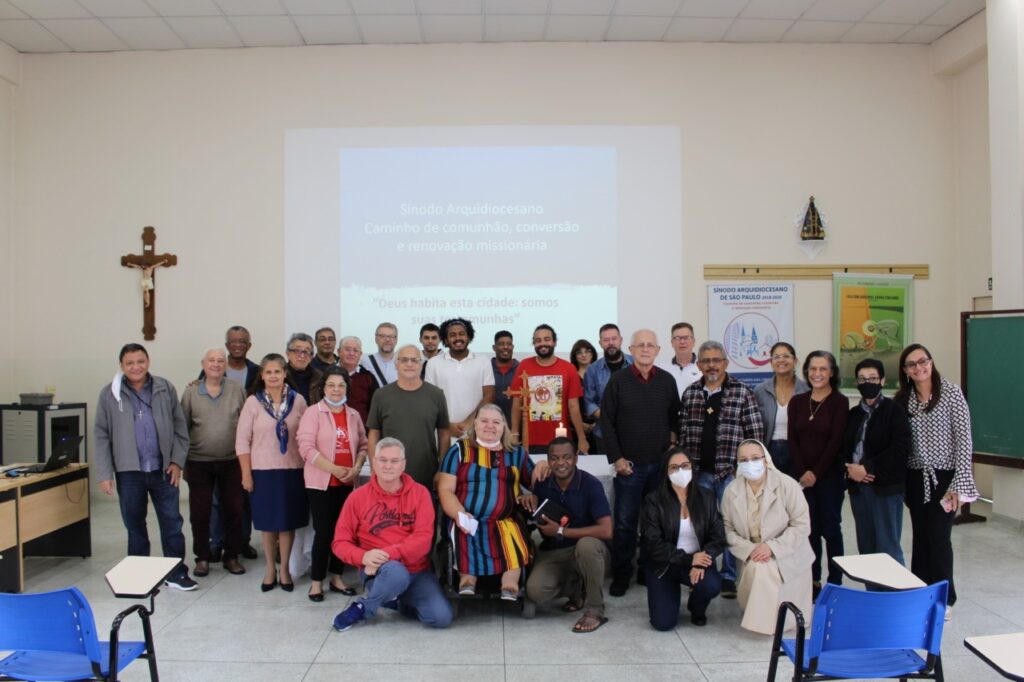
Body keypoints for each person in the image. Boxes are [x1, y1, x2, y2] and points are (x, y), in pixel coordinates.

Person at [94, 343, 196, 591]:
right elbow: (101, 435)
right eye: (130, 363)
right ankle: (139, 574)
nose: (136, 367)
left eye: (140, 361)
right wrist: (105, 474)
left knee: (172, 523)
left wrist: (176, 462)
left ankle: (176, 573)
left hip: (163, 470)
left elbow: (180, 428)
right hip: (129, 472)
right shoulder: (110, 394)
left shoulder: (164, 388)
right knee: (135, 525)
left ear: (148, 362)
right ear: (121, 366)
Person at [331, 437, 454, 632]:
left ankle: (393, 601)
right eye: (383, 460)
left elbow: (423, 540)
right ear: (374, 462)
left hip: (417, 571)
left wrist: (386, 554)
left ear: (403, 464)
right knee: (396, 572)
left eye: (394, 461)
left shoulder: (420, 494)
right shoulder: (357, 497)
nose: (388, 466)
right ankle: (365, 608)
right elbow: (339, 542)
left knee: (441, 618)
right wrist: (363, 557)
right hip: (379, 572)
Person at [894, 343, 978, 619]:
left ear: (931, 362)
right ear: (905, 370)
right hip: (916, 477)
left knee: (939, 537)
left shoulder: (951, 392)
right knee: (921, 536)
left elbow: (964, 440)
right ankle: (920, 592)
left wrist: (959, 484)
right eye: (912, 364)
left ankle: (945, 597)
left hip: (945, 477)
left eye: (923, 361)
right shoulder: (903, 399)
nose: (919, 367)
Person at [679, 340, 765, 599]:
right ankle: (703, 570)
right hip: (698, 473)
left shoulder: (742, 392)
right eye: (706, 361)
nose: (711, 365)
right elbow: (683, 434)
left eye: (716, 360)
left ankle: (728, 575)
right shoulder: (691, 393)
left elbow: (755, 435)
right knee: (701, 525)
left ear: (725, 363)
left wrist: (745, 469)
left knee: (731, 524)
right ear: (699, 365)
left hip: (730, 473)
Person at [600, 329, 679, 596]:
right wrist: (617, 459)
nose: (645, 349)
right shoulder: (618, 381)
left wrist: (671, 447)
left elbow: (675, 418)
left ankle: (648, 569)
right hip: (629, 467)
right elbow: (607, 422)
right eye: (640, 345)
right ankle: (622, 573)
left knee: (654, 523)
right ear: (631, 350)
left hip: (659, 467)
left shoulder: (666, 381)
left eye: (650, 345)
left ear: (658, 350)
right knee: (625, 523)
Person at [438, 404, 534, 599]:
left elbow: (535, 484)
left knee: (513, 534)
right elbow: (445, 489)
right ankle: (467, 581)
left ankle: (510, 585)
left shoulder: (516, 454)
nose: (490, 426)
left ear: (504, 427)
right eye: (484, 421)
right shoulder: (459, 451)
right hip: (467, 515)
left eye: (496, 422)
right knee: (464, 530)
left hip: (505, 519)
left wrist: (536, 482)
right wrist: (459, 513)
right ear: (475, 424)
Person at [722, 439, 814, 635]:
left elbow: (802, 524)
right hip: (752, 554)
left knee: (762, 569)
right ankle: (762, 621)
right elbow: (726, 530)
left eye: (755, 458)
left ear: (766, 460)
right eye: (743, 460)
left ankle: (763, 624)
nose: (750, 463)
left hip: (788, 554)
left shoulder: (787, 485)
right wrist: (751, 549)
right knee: (758, 566)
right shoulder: (731, 491)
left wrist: (771, 547)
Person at [236, 353, 309, 592]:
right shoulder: (253, 402)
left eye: (277, 371)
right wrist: (246, 474)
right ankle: (270, 569)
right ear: (262, 375)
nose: (273, 376)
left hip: (292, 470)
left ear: (285, 373)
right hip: (263, 471)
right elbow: (242, 441)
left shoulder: (298, 400)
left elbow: (307, 435)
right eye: (268, 372)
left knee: (287, 523)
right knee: (267, 524)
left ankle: (284, 569)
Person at [525, 437, 613, 632]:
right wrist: (526, 499)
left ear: (576, 458)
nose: (560, 463)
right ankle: (576, 588)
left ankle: (595, 609)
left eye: (566, 457)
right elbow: (534, 513)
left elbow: (607, 530)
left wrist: (561, 531)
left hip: (589, 551)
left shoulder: (591, 485)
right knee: (535, 591)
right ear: (548, 460)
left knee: (586, 545)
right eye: (554, 458)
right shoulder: (542, 484)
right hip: (554, 551)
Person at [297, 367, 368, 601]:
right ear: (323, 388)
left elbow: (363, 445)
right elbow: (306, 448)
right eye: (331, 385)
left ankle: (337, 577)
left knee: (344, 532)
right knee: (324, 532)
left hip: (348, 483)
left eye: (341, 385)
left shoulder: (353, 415)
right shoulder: (313, 413)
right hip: (321, 483)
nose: (336, 390)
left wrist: (356, 468)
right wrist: (334, 469)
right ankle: (316, 582)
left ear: (347, 388)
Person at [641, 446, 725, 630]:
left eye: (685, 466)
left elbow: (718, 536)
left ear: (692, 467)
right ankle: (669, 594)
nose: (681, 471)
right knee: (663, 624)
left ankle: (696, 607)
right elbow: (653, 544)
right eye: (674, 467)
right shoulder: (653, 501)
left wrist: (701, 560)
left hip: (698, 561)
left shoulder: (706, 497)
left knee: (711, 585)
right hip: (664, 565)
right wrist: (688, 559)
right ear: (666, 472)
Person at [181, 347, 247, 577]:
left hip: (232, 461)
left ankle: (231, 556)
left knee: (234, 510)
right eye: (211, 360)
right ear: (203, 364)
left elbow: (245, 425)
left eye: (220, 360)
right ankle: (202, 557)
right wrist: (182, 463)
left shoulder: (237, 390)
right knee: (200, 513)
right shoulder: (191, 393)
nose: (216, 364)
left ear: (226, 365)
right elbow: (183, 428)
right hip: (199, 462)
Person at [788, 350, 849, 596]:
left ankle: (835, 581)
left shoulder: (839, 402)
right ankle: (812, 580)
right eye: (813, 369)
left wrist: (816, 472)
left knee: (831, 530)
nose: (817, 373)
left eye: (823, 369)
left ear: (832, 372)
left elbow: (836, 441)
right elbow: (792, 440)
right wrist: (803, 472)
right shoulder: (797, 402)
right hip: (802, 478)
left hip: (830, 477)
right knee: (809, 530)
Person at [843, 358, 911, 565]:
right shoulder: (853, 414)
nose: (867, 383)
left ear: (882, 380)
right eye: (862, 379)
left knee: (888, 548)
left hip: (885, 490)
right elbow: (844, 447)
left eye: (872, 378)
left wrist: (868, 468)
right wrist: (849, 470)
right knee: (866, 547)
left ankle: (894, 588)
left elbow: (900, 449)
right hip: (858, 489)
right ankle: (872, 587)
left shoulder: (894, 410)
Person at [366, 344, 450, 489]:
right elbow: (373, 434)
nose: (409, 364)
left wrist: (442, 469)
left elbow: (444, 433)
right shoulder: (381, 395)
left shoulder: (436, 395)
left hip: (426, 475)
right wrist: (375, 469)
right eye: (404, 360)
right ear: (396, 364)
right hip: (388, 475)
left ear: (421, 364)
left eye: (414, 360)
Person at [510, 324, 589, 454]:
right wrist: (514, 433)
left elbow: (574, 407)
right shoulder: (524, 366)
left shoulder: (569, 369)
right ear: (534, 343)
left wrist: (581, 438)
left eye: (547, 339)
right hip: (530, 441)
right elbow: (517, 402)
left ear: (554, 342)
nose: (542, 344)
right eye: (538, 340)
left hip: (561, 441)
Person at [424, 318, 495, 439]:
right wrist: (447, 425)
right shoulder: (433, 363)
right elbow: (429, 400)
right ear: (446, 340)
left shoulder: (483, 361)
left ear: (469, 337)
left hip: (475, 430)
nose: (457, 338)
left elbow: (489, 395)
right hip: (444, 431)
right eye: (452, 335)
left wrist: (469, 422)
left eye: (462, 334)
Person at [753, 342, 810, 477]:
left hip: (798, 451)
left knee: (794, 488)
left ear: (795, 361)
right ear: (771, 362)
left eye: (786, 356)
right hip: (769, 450)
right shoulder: (760, 390)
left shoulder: (807, 390)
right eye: (776, 357)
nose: (781, 360)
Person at [583, 323, 633, 453]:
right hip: (604, 434)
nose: (611, 343)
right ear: (600, 343)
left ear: (620, 340)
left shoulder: (635, 363)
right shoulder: (592, 370)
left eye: (614, 339)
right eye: (606, 340)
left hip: (633, 432)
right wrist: (607, 416)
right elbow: (589, 402)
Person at [337, 335, 379, 424]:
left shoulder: (368, 377)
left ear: (360, 354)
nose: (351, 353)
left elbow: (376, 409)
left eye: (356, 351)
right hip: (331, 428)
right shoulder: (327, 374)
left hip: (360, 429)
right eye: (347, 349)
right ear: (338, 351)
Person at [657, 322, 702, 398]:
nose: (682, 342)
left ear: (693, 342)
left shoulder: (704, 367)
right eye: (677, 338)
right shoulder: (661, 369)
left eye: (686, 337)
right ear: (672, 343)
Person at [285, 333, 323, 405]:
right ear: (288, 354)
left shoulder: (319, 377)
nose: (302, 355)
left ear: (311, 357)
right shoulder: (280, 375)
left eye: (306, 351)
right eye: (297, 351)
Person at [491, 330, 519, 425]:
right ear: (494, 347)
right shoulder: (486, 369)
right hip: (490, 425)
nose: (505, 347)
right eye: (501, 344)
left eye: (509, 344)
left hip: (515, 426)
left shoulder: (521, 369)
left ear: (513, 347)